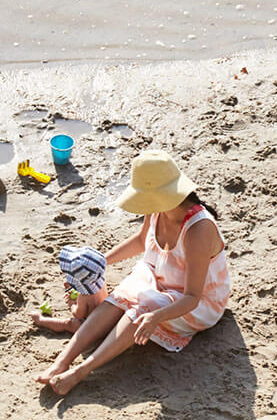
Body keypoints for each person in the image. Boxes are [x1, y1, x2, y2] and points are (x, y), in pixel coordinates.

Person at [37, 150, 229, 395]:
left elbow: (192, 296)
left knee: (144, 307)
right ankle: (61, 362)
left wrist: (156, 317)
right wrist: (100, 262)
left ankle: (81, 371)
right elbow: (140, 241)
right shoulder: (159, 207)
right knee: (123, 293)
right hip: (161, 278)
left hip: (197, 302)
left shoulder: (198, 230)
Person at [30, 245, 109, 333]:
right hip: (106, 317)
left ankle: (40, 320)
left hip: (94, 327)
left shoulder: (84, 297)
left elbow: (78, 314)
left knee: (69, 324)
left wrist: (72, 304)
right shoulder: (100, 281)